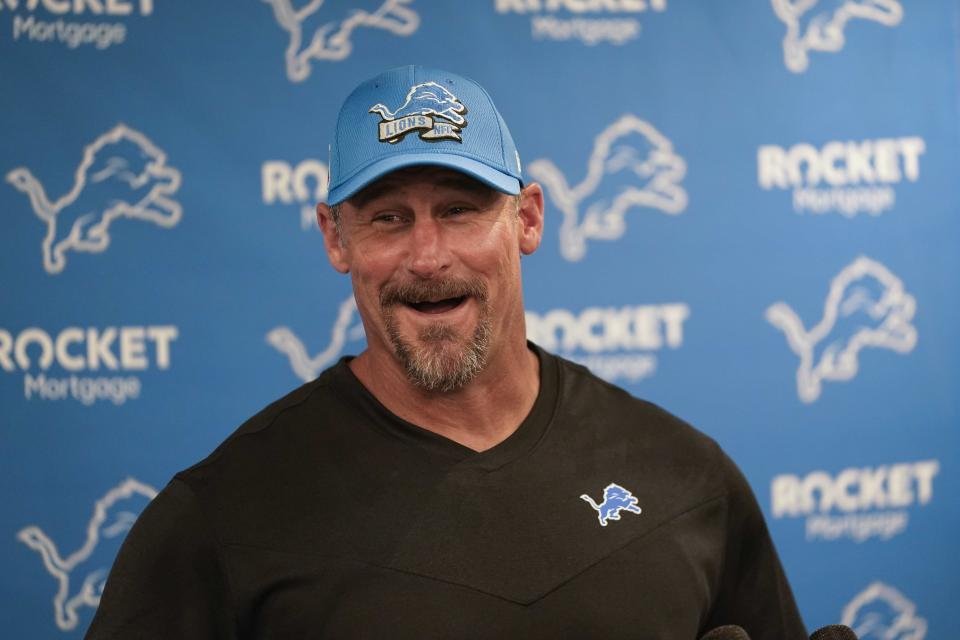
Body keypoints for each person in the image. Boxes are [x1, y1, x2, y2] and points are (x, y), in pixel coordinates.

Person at [86, 65, 807, 639]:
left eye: (459, 210)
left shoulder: (685, 477)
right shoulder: (219, 521)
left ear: (526, 219)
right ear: (336, 239)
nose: (427, 257)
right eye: (388, 218)